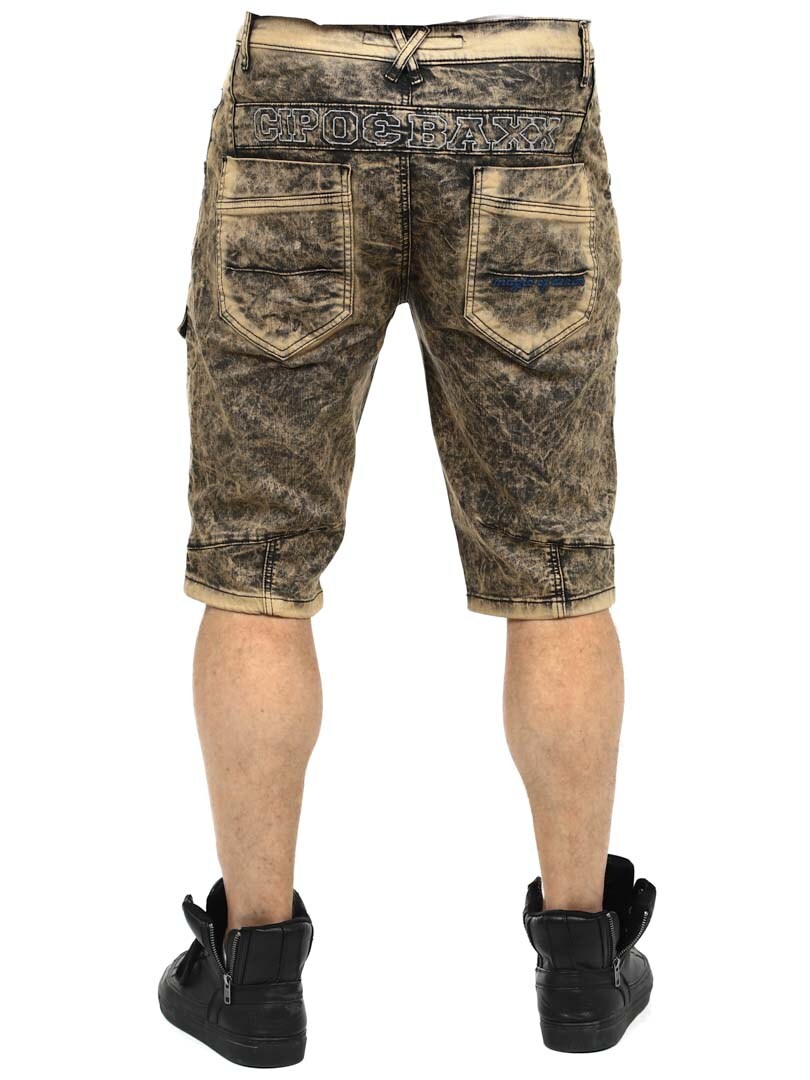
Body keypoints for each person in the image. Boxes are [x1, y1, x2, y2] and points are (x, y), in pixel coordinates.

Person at [158, 13, 655, 1066]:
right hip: (524, 94)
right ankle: (582, 968)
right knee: (555, 568)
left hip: (298, 92)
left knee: (257, 564)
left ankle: (252, 980)